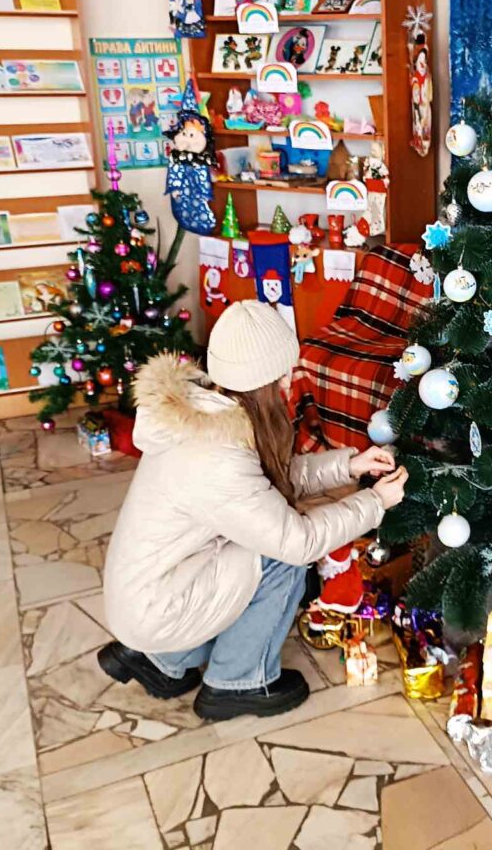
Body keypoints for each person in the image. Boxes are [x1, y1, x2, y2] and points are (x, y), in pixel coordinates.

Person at [98, 300, 407, 720]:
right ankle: (239, 681)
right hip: (156, 609)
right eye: (282, 374)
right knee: (283, 556)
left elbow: (265, 483)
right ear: (264, 379)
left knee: (265, 536)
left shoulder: (206, 411)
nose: (288, 382)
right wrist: (375, 502)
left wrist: (348, 466)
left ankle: (162, 660)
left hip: (150, 593)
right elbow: (298, 540)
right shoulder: (216, 456)